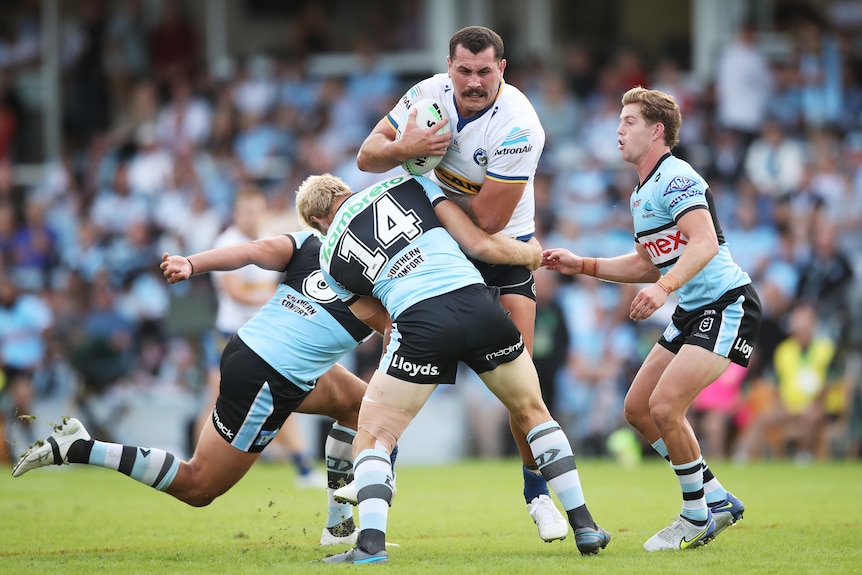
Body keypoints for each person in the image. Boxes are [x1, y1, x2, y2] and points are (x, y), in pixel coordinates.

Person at [295, 173, 609, 564]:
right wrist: (530, 256)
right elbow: (476, 243)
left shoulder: (327, 258)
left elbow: (386, 324)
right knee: (533, 412)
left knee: (374, 435)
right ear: (344, 190)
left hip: (421, 322)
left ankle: (370, 545)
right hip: (477, 304)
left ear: (318, 223)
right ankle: (584, 524)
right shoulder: (406, 184)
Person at [13, 230, 375, 547]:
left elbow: (251, 249)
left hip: (256, 350)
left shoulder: (313, 241)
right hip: (269, 371)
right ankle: (79, 447)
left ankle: (339, 527)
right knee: (199, 485)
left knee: (360, 407)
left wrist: (191, 262)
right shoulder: (362, 262)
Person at [355, 25, 566, 542]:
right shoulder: (427, 96)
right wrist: (408, 144)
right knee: (397, 358)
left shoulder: (519, 126)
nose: (474, 82)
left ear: (502, 70)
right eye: (464, 71)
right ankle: (372, 491)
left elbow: (490, 221)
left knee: (524, 384)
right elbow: (366, 156)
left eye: (485, 71)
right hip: (438, 245)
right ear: (449, 67)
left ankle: (537, 494)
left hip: (505, 247)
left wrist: (426, 187)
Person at [542, 87, 761, 552]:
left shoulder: (676, 176)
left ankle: (695, 514)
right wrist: (582, 264)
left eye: (629, 122)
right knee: (638, 410)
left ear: (656, 130)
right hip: (690, 310)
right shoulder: (642, 192)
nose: (618, 130)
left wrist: (663, 288)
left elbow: (702, 243)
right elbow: (647, 262)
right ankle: (717, 497)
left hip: (726, 304)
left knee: (665, 408)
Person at [202, 184, 326, 488]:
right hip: (230, 333)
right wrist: (276, 298)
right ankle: (201, 463)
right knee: (214, 403)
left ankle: (302, 466)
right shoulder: (228, 242)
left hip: (263, 334)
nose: (252, 216)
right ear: (236, 213)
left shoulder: (269, 238)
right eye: (246, 210)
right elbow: (235, 292)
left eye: (257, 210)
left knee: (277, 397)